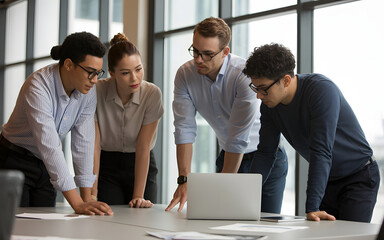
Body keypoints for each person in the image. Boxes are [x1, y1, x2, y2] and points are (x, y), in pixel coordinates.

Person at [243, 43, 380, 223]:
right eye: (255, 88)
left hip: (358, 177)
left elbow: (321, 151)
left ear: (285, 80)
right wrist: (245, 199)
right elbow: (266, 153)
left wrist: (312, 207)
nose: (259, 96)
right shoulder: (270, 106)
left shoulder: (321, 90)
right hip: (327, 180)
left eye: (263, 88)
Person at [165, 17, 288, 213]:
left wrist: (223, 189)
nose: (198, 59)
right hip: (228, 155)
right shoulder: (184, 75)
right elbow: (184, 128)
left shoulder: (244, 75)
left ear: (225, 52)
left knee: (265, 225)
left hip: (266, 156)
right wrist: (184, 179)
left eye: (207, 54)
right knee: (224, 222)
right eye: (195, 51)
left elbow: (237, 137)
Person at [0, 32, 113, 215]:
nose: (95, 80)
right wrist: (77, 204)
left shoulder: (88, 92)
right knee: (15, 226)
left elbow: (83, 144)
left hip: (45, 166)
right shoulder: (37, 86)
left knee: (45, 227)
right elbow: (50, 146)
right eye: (90, 72)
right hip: (14, 159)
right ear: (69, 64)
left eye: (98, 73)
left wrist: (87, 200)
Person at [93, 33, 163, 208]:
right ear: (111, 73)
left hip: (140, 162)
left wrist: (138, 196)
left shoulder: (151, 93)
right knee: (108, 218)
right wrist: (91, 195)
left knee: (141, 216)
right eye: (125, 73)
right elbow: (93, 146)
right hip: (106, 165)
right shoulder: (96, 92)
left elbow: (143, 146)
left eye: (138, 69)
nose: (134, 78)